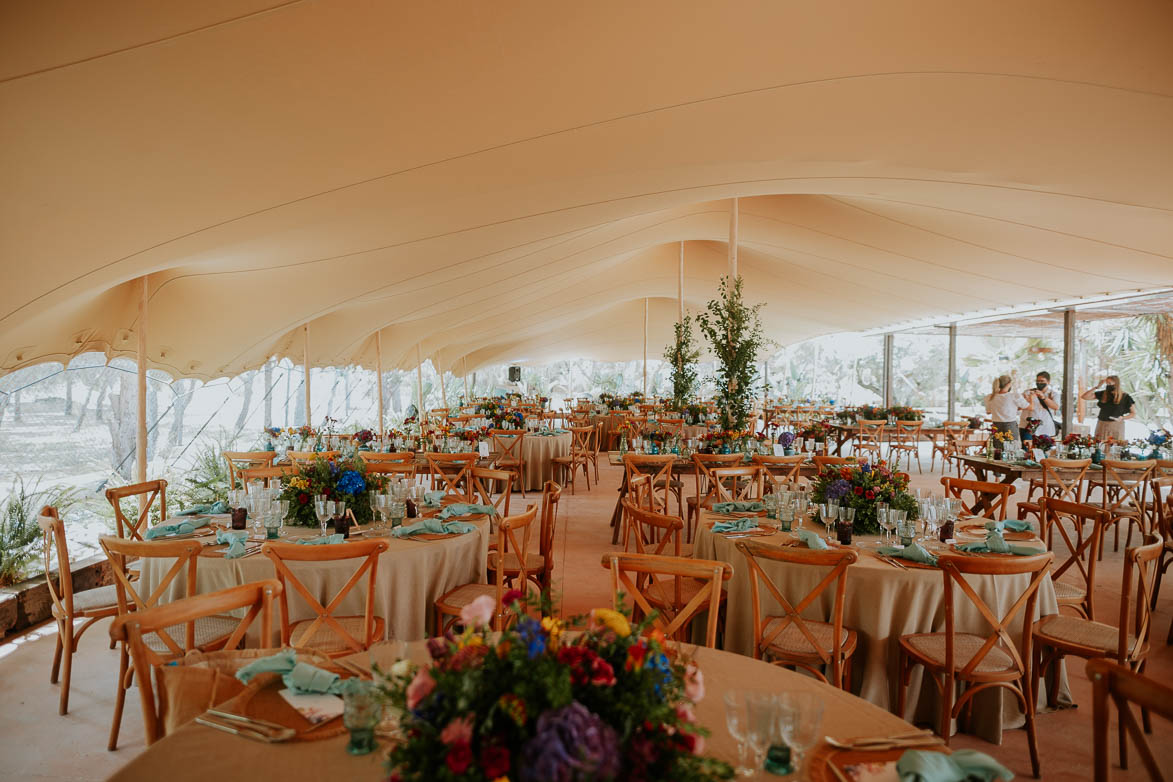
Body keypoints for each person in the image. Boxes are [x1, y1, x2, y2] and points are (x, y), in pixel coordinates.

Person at [1080, 374, 1136, 442]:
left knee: (1115, 447)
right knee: (1100, 447)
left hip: (1116, 425)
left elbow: (1133, 413)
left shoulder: (1125, 397)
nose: (1108, 385)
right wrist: (1097, 387)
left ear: (1116, 383)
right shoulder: (1103, 394)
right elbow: (1084, 397)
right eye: (1106, 383)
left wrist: (1123, 418)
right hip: (1101, 424)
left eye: (1109, 383)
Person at [985, 374, 1027, 452]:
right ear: (1008, 384)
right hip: (1010, 426)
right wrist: (1031, 398)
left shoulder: (990, 397)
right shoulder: (1014, 396)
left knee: (997, 451)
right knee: (1011, 451)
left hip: (996, 426)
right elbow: (1028, 407)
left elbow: (988, 411)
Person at [1020, 371, 1059, 439]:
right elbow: (1019, 406)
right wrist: (1029, 399)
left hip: (1046, 428)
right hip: (1028, 427)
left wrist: (1043, 397)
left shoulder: (1053, 394)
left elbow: (1056, 407)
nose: (1039, 383)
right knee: (1027, 448)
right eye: (1037, 381)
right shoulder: (1028, 392)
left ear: (1048, 382)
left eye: (1042, 381)